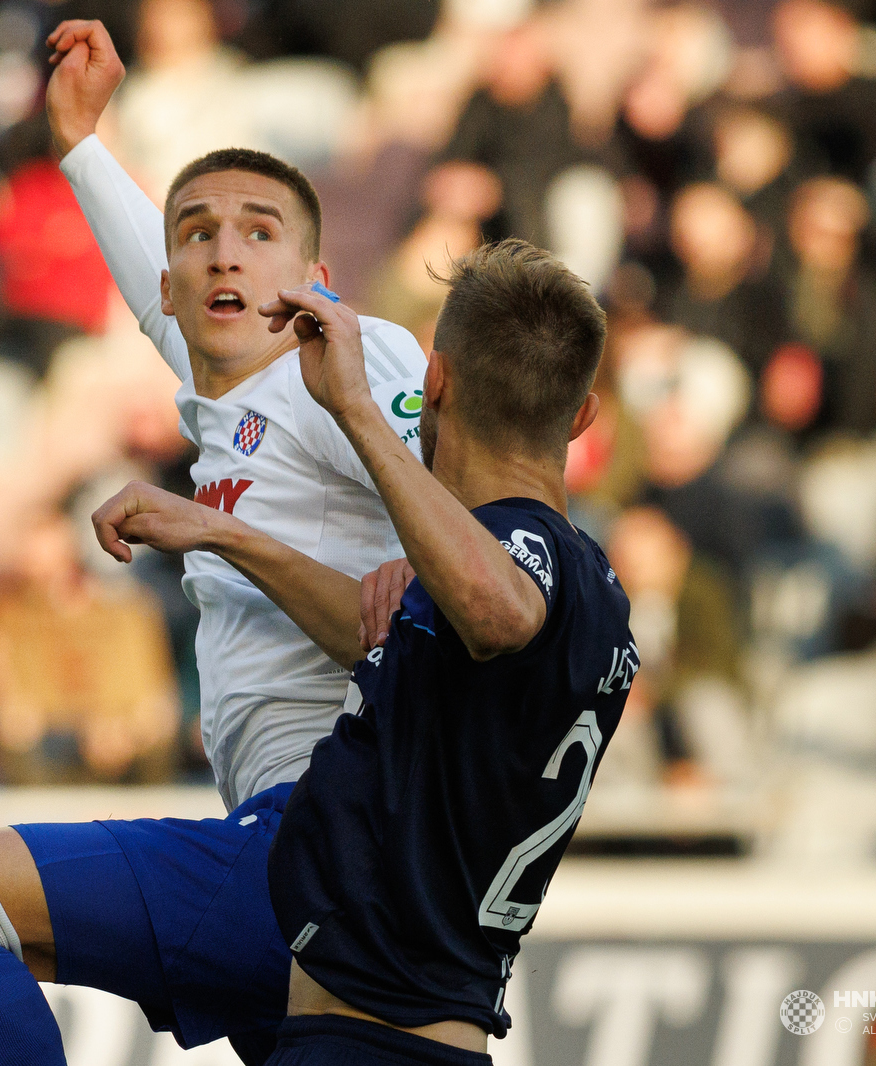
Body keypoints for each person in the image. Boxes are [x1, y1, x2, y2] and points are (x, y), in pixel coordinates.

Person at [0, 18, 426, 1066]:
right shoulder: (227, 372)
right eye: (198, 234)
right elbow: (156, 277)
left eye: (260, 229)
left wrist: (429, 529)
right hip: (337, 869)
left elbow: (443, 512)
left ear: (318, 277)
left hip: (321, 836)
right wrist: (83, 143)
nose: (224, 246)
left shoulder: (343, 365)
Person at [92, 238, 634, 1063]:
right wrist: (221, 532)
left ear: (437, 383)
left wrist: (358, 412)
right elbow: (389, 632)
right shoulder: (593, 585)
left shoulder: (519, 551)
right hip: (408, 1031)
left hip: (373, 1035)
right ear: (584, 412)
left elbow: (499, 610)